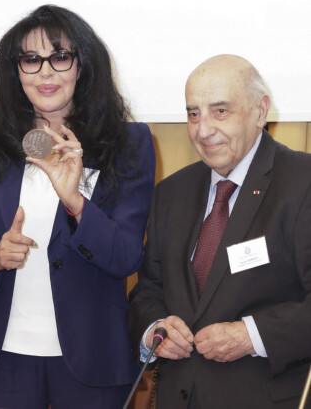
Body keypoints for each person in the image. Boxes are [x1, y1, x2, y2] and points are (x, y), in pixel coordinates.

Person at [0, 4, 156, 409]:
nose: (45, 73)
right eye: (31, 60)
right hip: (2, 361)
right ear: (15, 70)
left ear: (82, 66)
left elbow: (126, 256)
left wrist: (75, 203)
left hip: (92, 361)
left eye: (59, 57)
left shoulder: (127, 143)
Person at [128, 54, 311, 408]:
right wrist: (156, 329)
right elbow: (147, 291)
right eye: (193, 113)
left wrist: (251, 336)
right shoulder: (171, 192)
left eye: (220, 111)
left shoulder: (302, 182)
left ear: (260, 111)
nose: (203, 129)